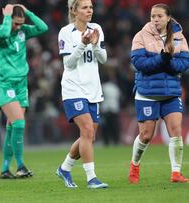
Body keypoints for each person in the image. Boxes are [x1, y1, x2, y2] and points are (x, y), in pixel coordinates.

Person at [128, 3, 189, 184]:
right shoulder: (140, 36)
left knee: (176, 131)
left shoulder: (179, 37)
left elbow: (185, 63)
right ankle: (134, 165)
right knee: (146, 135)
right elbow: (139, 64)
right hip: (147, 92)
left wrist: (168, 61)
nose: (155, 19)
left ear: (168, 18)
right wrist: (162, 57)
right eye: (152, 16)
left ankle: (176, 173)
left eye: (159, 16)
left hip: (171, 92)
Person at [0, 4, 48, 179]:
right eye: (16, 23)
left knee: (12, 126)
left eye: (21, 24)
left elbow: (43, 28)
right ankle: (21, 165)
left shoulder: (22, 31)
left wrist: (28, 12)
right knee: (19, 123)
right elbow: (4, 33)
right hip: (5, 83)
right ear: (7, 18)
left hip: (21, 84)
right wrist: (7, 18)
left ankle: (5, 169)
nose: (18, 27)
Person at [56, 0, 108, 189]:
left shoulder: (96, 28)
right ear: (74, 10)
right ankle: (91, 178)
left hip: (93, 89)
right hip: (73, 89)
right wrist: (82, 44)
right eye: (85, 7)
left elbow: (103, 58)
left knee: (89, 136)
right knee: (86, 131)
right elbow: (68, 64)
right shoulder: (66, 32)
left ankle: (64, 168)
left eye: (91, 7)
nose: (89, 10)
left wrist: (94, 45)